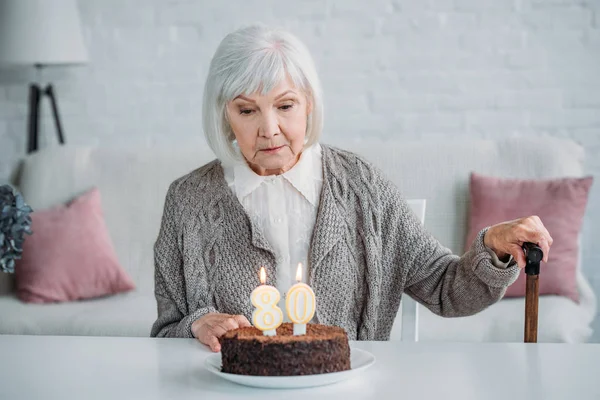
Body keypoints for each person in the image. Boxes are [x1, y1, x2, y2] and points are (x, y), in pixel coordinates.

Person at [150, 25, 553, 352]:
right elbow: (165, 333)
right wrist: (196, 324)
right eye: (247, 109)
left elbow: (447, 290)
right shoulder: (188, 201)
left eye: (285, 105)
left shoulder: (364, 188)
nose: (269, 128)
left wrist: (494, 247)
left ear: (309, 103)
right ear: (224, 115)